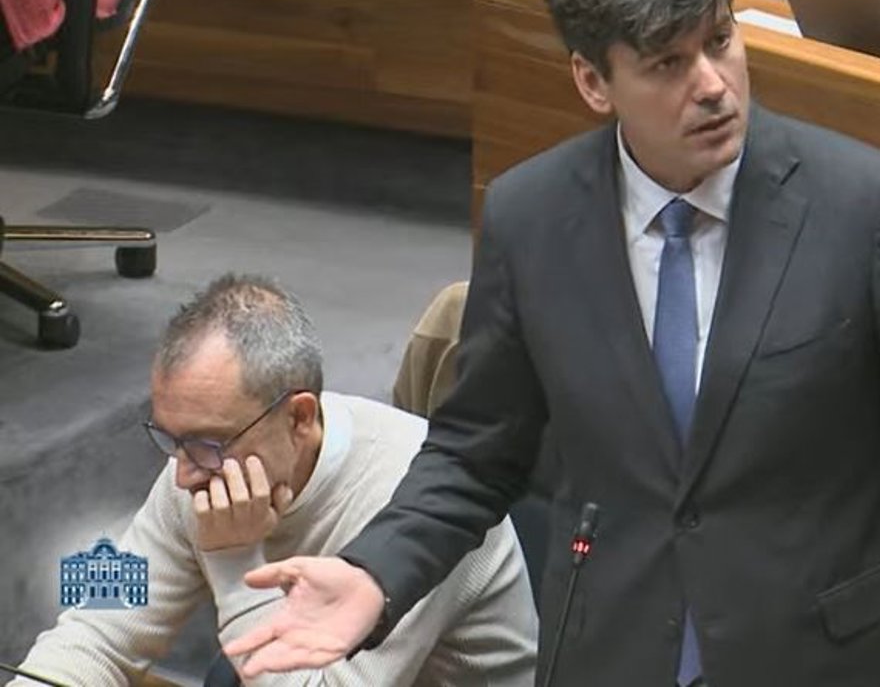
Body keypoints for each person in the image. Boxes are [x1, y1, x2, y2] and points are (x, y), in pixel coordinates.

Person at [225, 0, 880, 687]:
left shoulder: (868, 208)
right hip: (615, 649)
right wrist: (376, 572)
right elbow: (477, 450)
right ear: (594, 83)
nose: (712, 84)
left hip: (820, 656)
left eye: (720, 41)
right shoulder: (532, 218)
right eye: (668, 63)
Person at [7, 274, 537, 686]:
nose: (184, 474)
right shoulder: (197, 467)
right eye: (170, 438)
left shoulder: (424, 501)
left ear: (299, 418)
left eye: (209, 443)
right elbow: (100, 627)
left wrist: (232, 560)